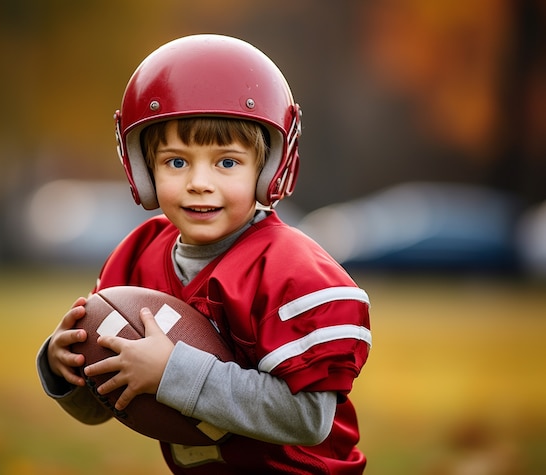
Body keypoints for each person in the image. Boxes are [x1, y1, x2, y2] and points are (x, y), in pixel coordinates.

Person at [37, 34, 372, 474]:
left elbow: (309, 419)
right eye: (176, 162)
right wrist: (66, 369)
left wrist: (174, 372)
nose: (199, 182)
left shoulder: (288, 270)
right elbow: (106, 408)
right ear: (144, 168)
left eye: (227, 162)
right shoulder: (138, 260)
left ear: (268, 168)